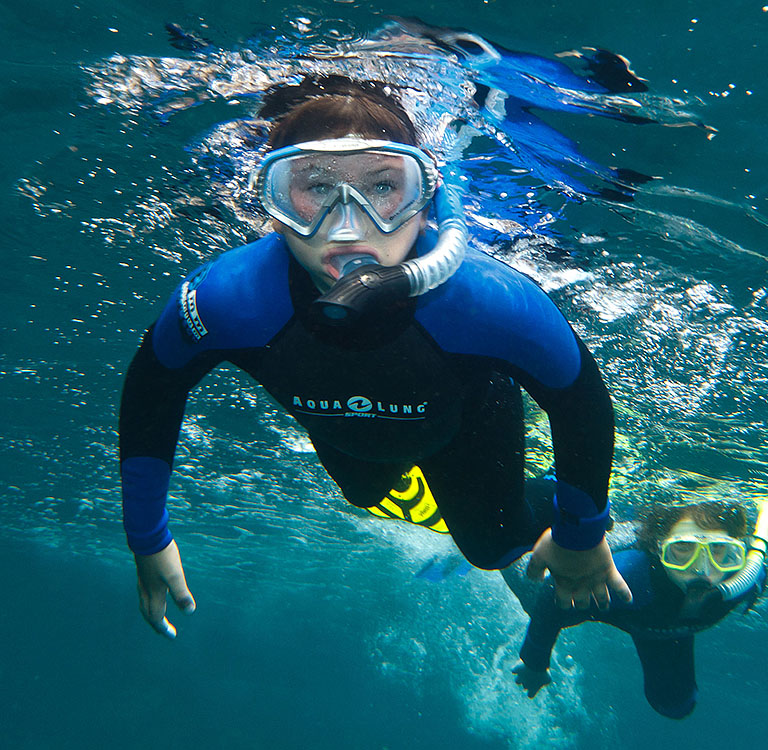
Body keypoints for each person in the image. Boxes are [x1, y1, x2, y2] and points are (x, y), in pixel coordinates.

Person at [119, 75, 632, 638]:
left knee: (496, 550)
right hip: (351, 436)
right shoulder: (226, 297)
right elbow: (153, 387)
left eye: (384, 188)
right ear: (274, 201)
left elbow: (579, 399)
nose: (348, 225)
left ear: (425, 197)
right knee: (365, 494)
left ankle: (581, 509)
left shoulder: (490, 302)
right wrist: (148, 536)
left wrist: (581, 534)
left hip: (470, 424)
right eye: (315, 188)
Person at [505, 500, 768, 719]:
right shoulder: (628, 577)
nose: (702, 569)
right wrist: (534, 662)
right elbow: (551, 599)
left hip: (662, 631)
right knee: (522, 575)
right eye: (682, 550)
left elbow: (756, 575)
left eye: (720, 552)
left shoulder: (744, 579)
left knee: (675, 704)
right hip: (611, 603)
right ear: (659, 550)